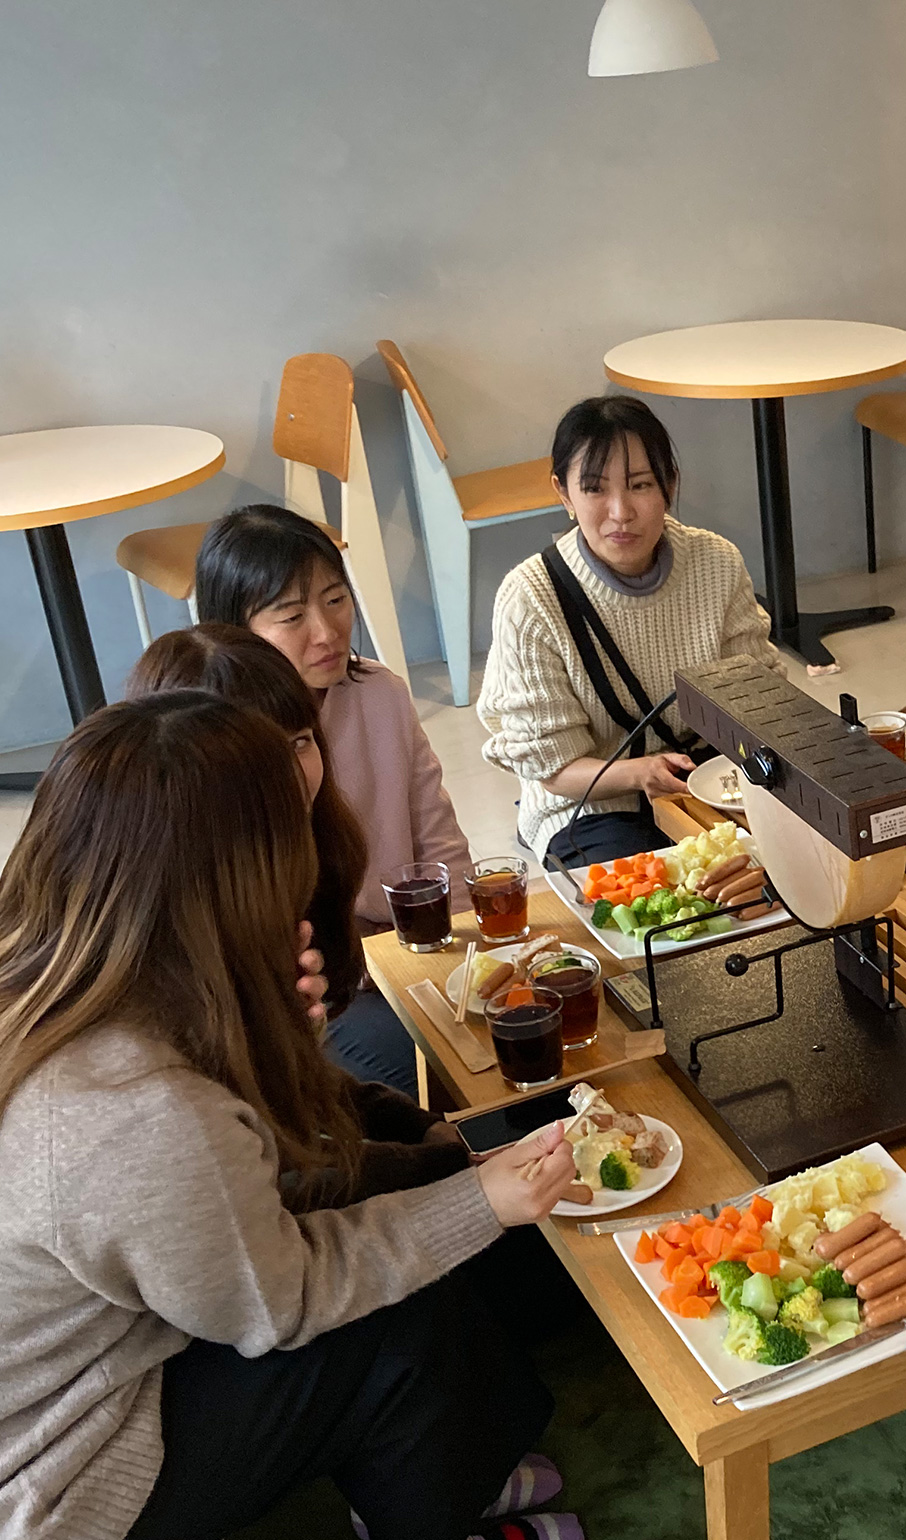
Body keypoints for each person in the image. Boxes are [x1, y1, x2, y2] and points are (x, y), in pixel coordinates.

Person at [0, 693, 584, 1540]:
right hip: (10, 1502)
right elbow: (278, 1300)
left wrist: (274, 1036)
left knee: (410, 1254)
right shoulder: (130, 1109)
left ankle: (451, 1465)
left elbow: (214, 1188)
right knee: (398, 1322)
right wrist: (482, 1201)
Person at [125, 624, 477, 1205]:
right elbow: (259, 1183)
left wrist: (421, 1137)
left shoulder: (303, 854)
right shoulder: (165, 935)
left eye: (300, 742)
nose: (292, 774)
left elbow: (290, 1088)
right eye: (260, 756)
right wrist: (439, 1175)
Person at [197, 504, 475, 1091]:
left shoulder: (380, 693)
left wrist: (469, 954)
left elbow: (438, 837)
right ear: (232, 633)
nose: (326, 633)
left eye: (335, 599)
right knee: (429, 1073)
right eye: (291, 615)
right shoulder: (220, 744)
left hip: (411, 952)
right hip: (315, 984)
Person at [478, 394, 780, 866]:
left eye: (640, 485)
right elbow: (553, 770)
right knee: (656, 904)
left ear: (669, 484)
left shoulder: (715, 562)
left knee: (799, 872)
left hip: (713, 781)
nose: (620, 512)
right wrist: (640, 772)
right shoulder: (531, 597)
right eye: (595, 489)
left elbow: (758, 700)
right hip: (592, 805)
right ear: (564, 493)